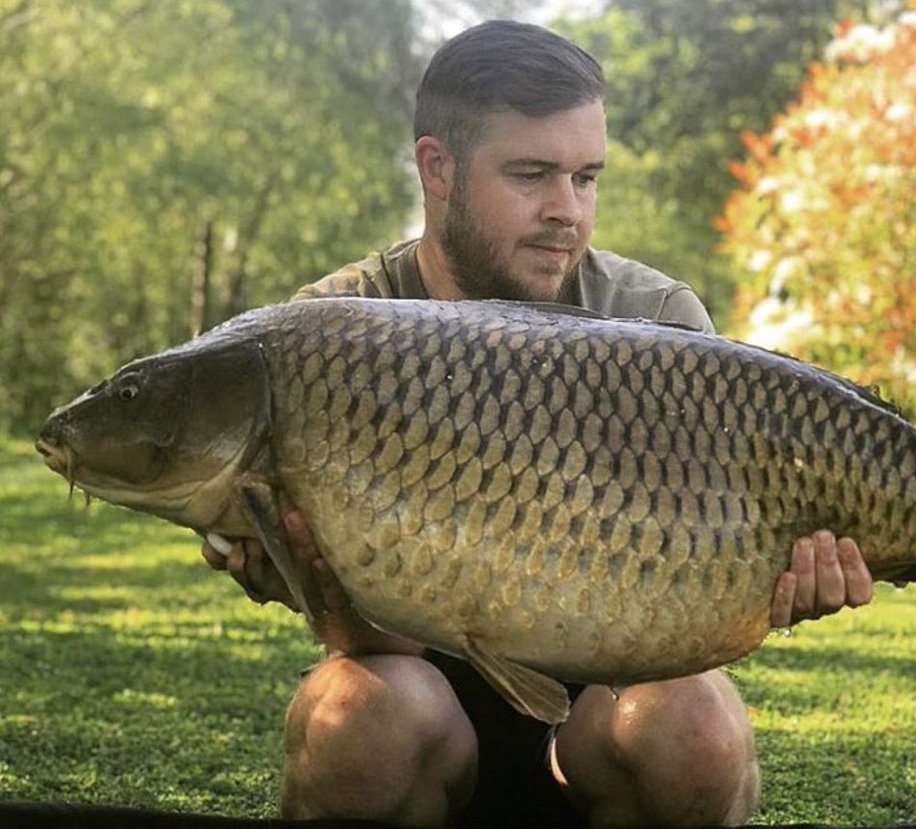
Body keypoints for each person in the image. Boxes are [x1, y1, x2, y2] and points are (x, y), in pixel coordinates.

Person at [202, 20, 874, 828]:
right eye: (532, 175)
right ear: (436, 168)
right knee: (357, 728)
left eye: (586, 177)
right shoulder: (329, 336)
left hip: (609, 704)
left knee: (695, 731)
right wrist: (322, 593)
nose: (568, 211)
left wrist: (780, 581)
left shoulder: (654, 318)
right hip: (419, 698)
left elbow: (706, 599)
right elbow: (363, 644)